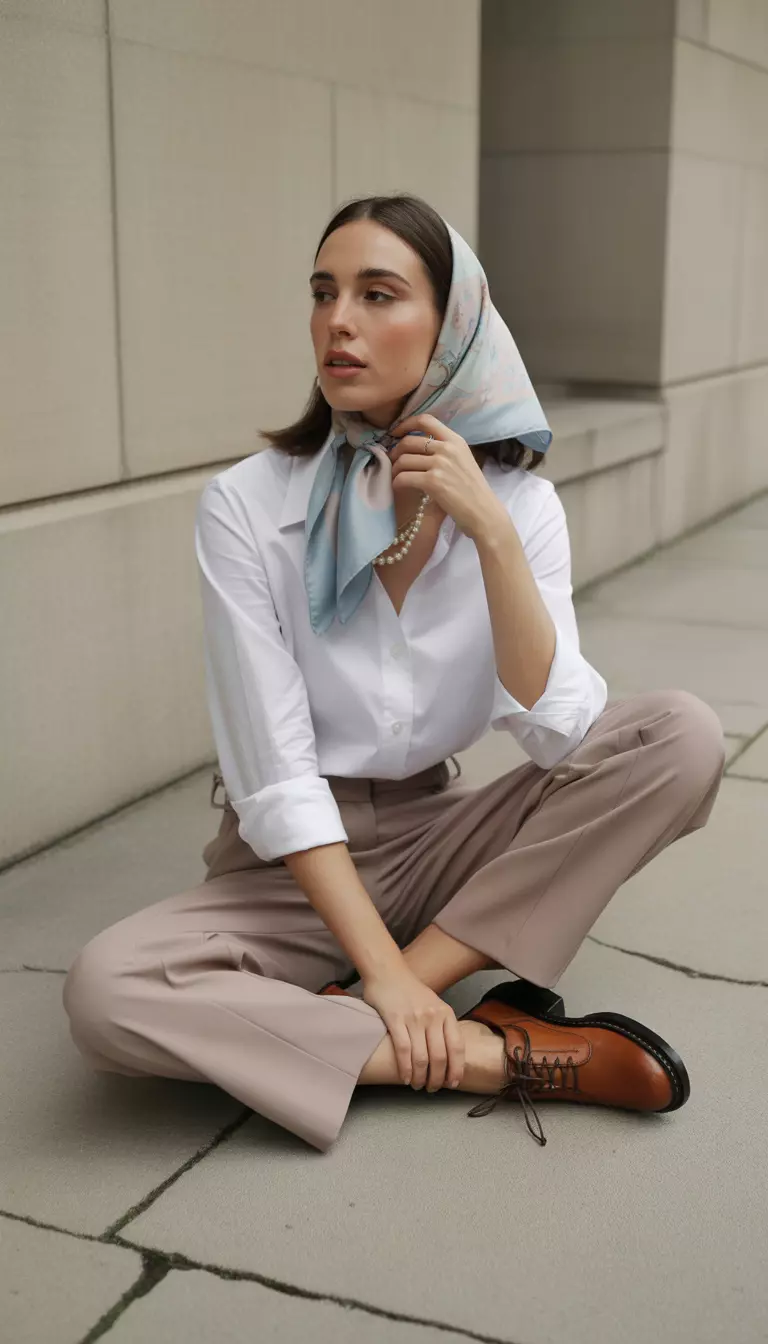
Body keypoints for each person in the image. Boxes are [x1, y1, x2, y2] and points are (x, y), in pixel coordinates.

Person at [63, 194, 726, 1152]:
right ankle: (497, 1053)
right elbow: (276, 774)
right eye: (325, 292)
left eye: (378, 295)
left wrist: (492, 538)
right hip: (289, 872)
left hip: (437, 838)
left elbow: (558, 733)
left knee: (682, 735)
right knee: (104, 990)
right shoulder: (246, 507)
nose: (339, 320)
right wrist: (390, 983)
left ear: (452, 326)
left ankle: (386, 1002)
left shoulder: (521, 507)